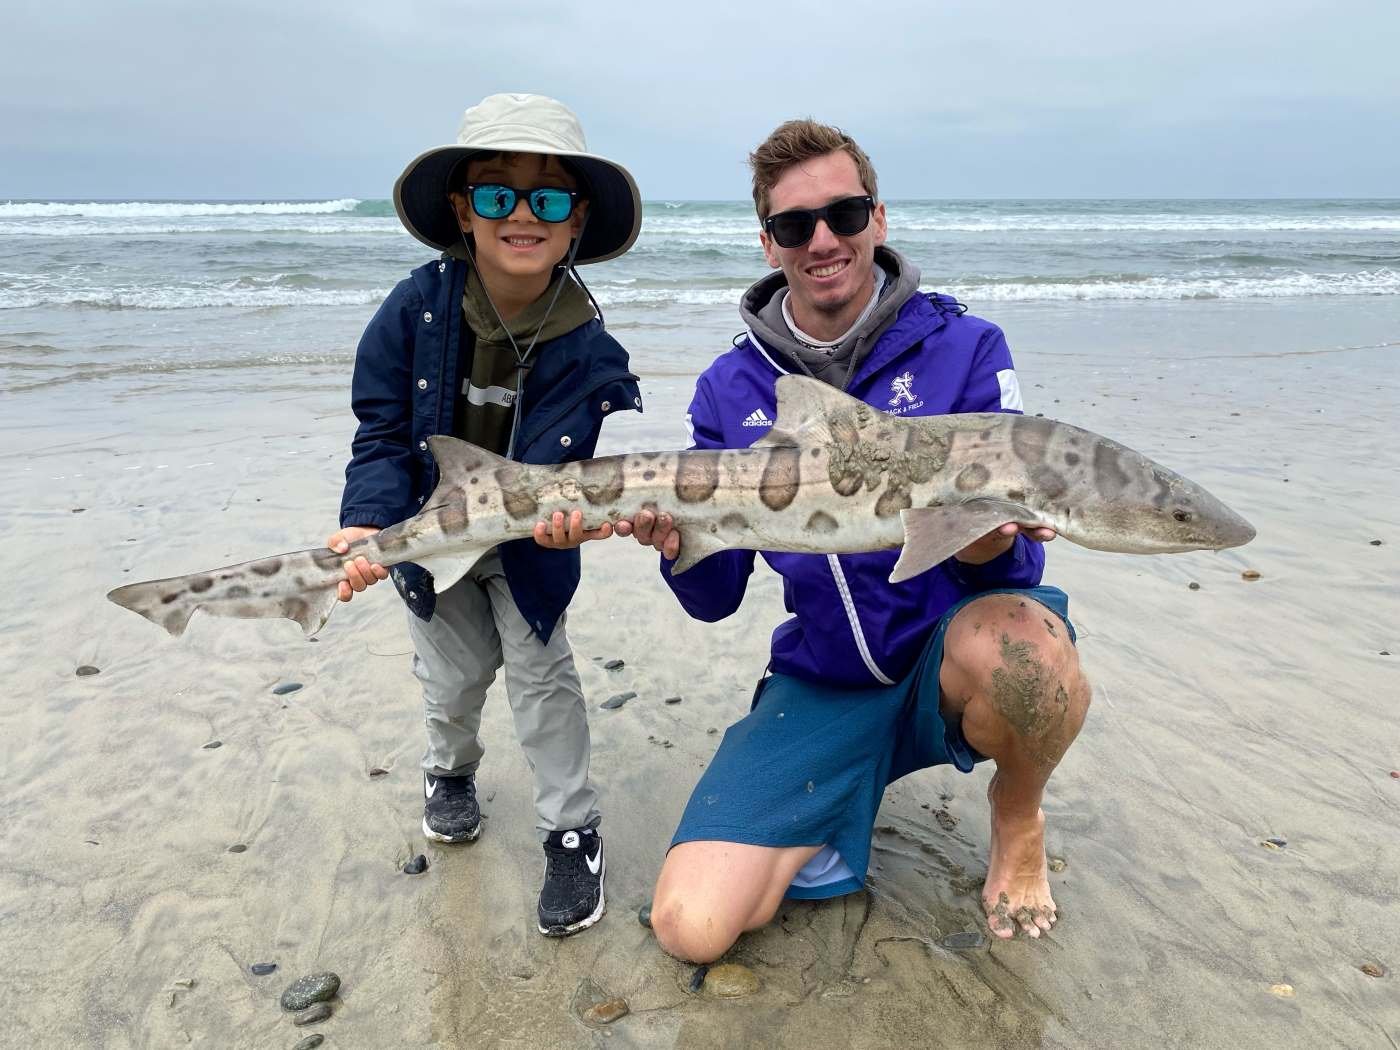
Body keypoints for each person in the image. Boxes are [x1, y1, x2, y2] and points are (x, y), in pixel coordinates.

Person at [622, 119, 1091, 961]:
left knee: (1025, 651)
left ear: (878, 216)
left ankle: (1017, 816)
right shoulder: (732, 389)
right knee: (691, 928)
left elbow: (1020, 564)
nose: (824, 240)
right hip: (827, 677)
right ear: (770, 243)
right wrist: (671, 540)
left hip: (949, 654)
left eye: (844, 213)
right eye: (797, 225)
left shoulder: (964, 348)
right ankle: (841, 796)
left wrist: (982, 538)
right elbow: (715, 597)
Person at [327, 93, 644, 937]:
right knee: (454, 676)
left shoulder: (591, 348)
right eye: (499, 194)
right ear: (464, 211)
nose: (522, 214)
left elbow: (572, 474)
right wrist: (368, 522)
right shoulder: (411, 309)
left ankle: (572, 831)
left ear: (576, 222)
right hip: (436, 527)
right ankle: (450, 771)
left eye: (547, 198)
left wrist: (575, 519)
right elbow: (383, 429)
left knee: (545, 680)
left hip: (531, 541)